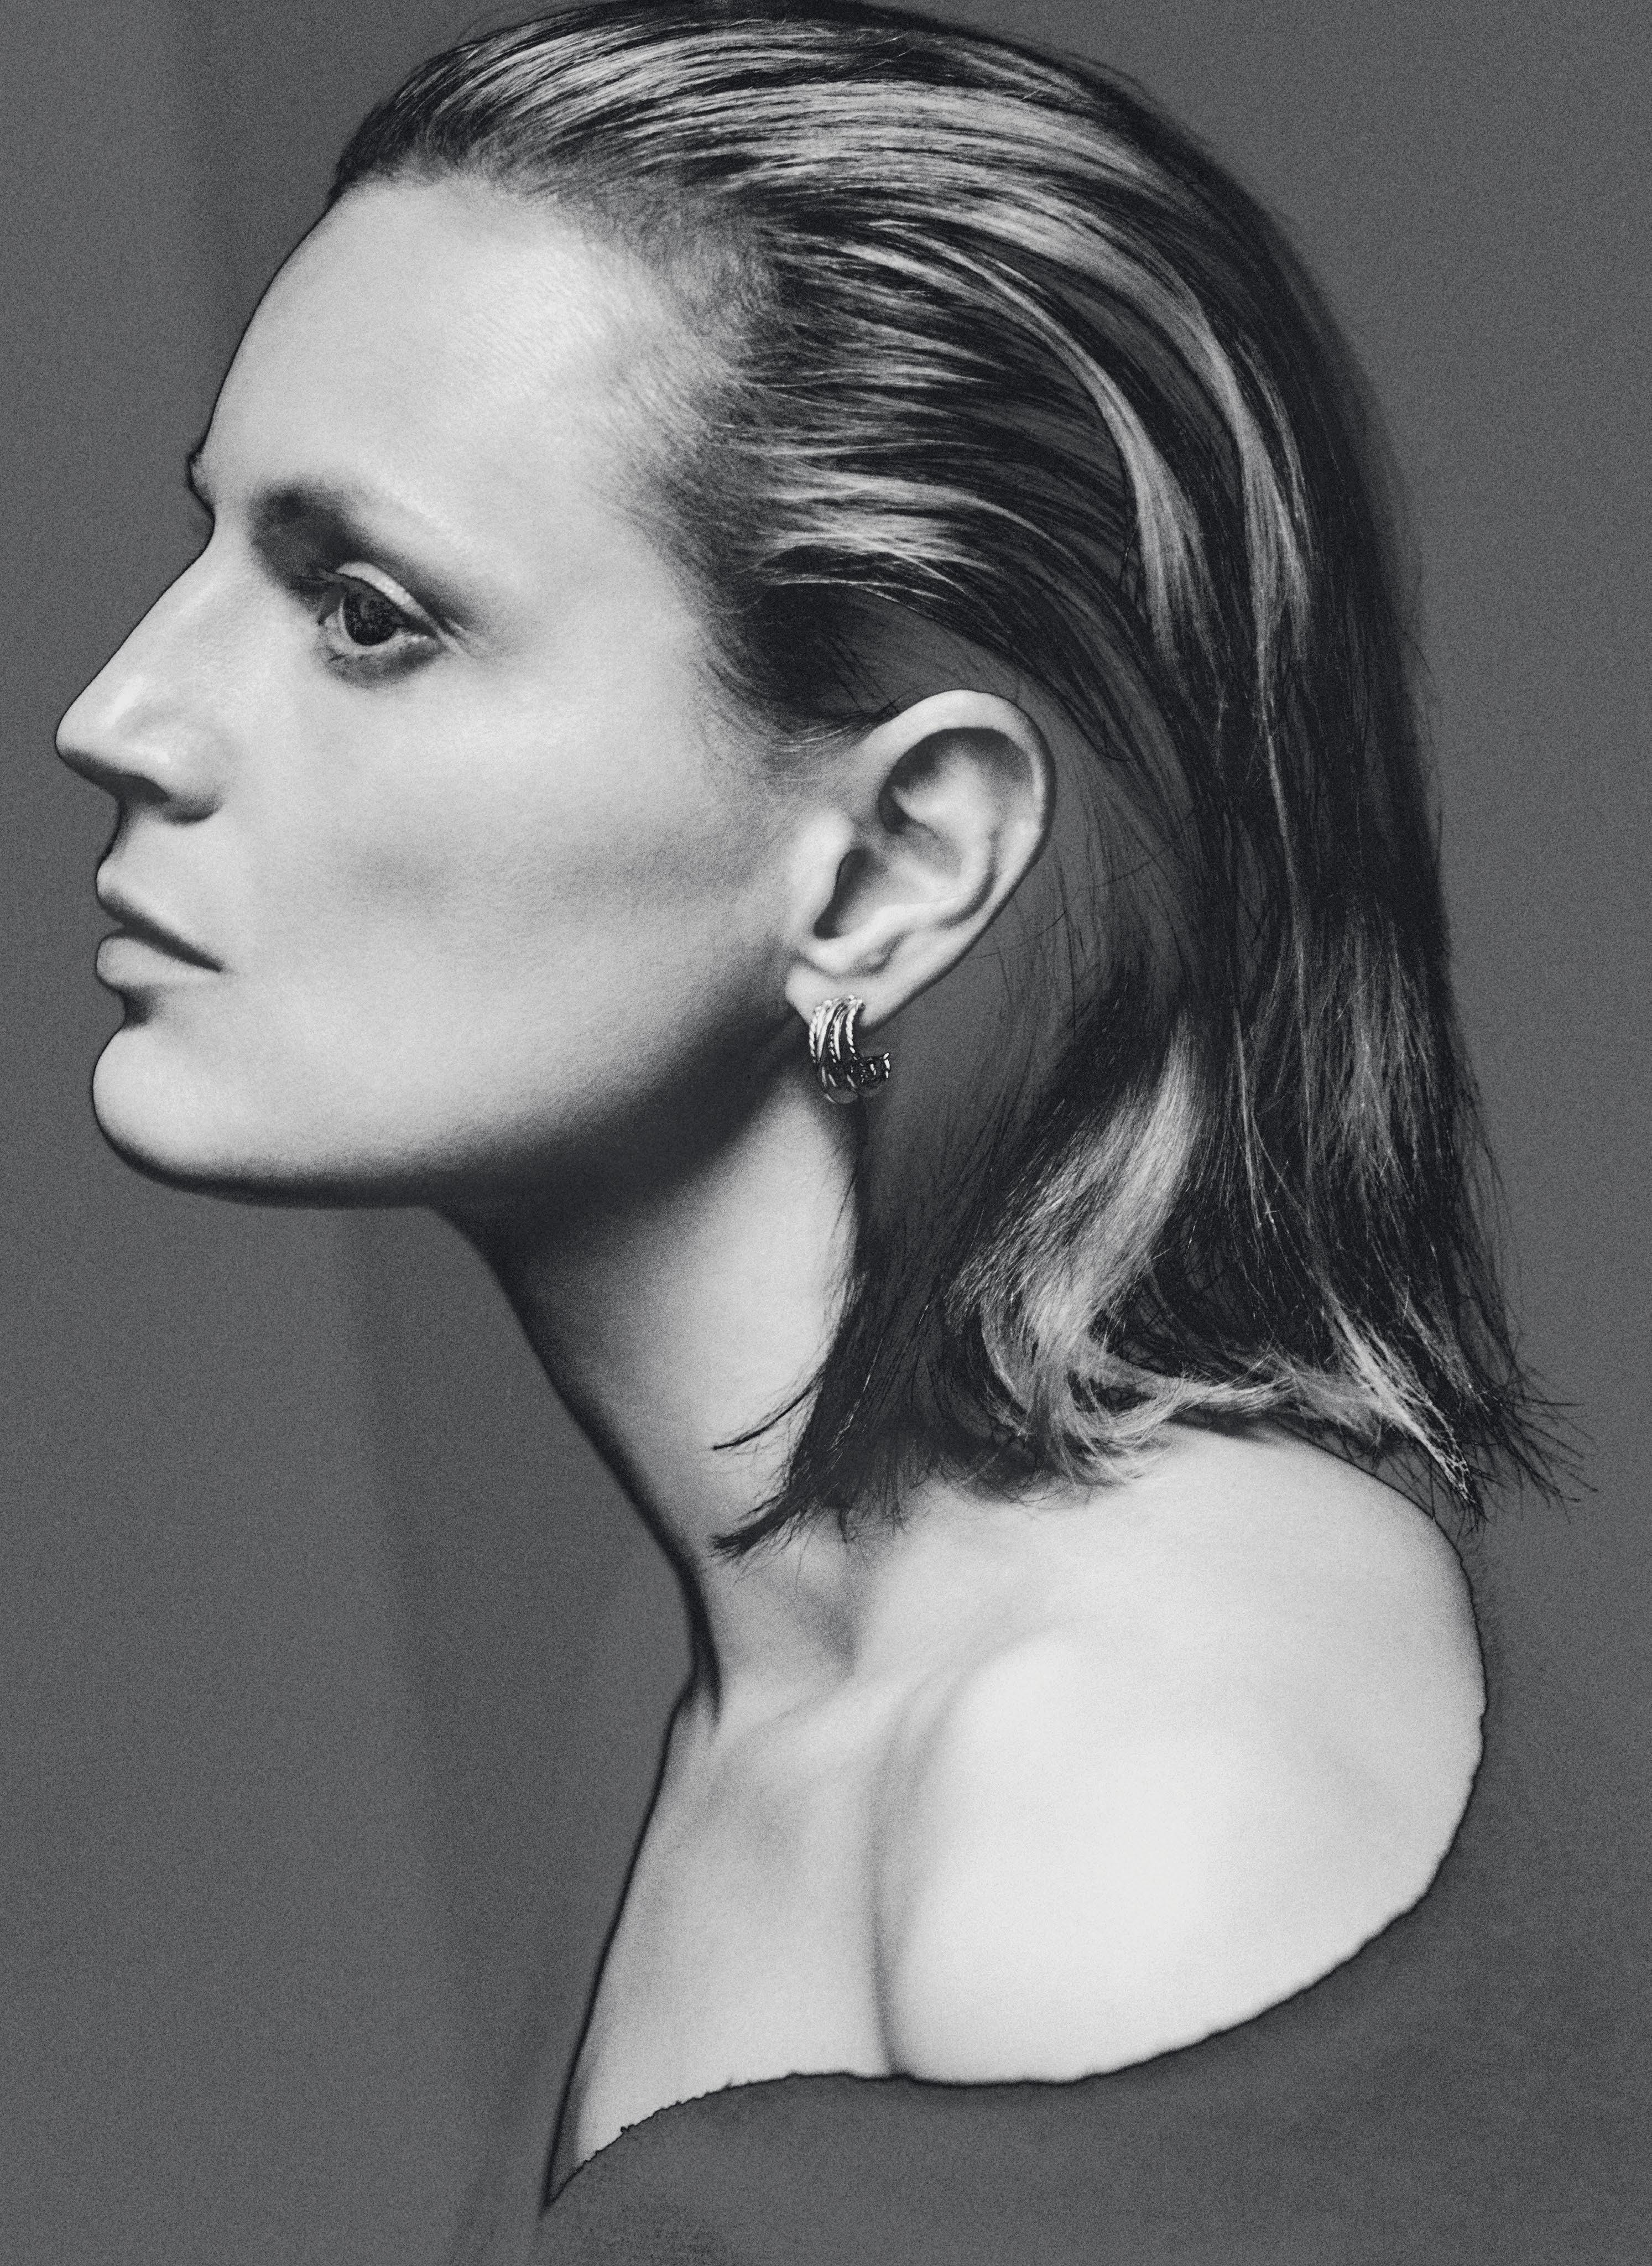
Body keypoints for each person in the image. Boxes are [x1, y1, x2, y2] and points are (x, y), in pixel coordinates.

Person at [57, 3, 1567, 2257]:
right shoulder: (737, 1649)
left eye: (365, 612)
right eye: (213, 552)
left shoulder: (1123, 1789)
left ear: (890, 863)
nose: (121, 714)